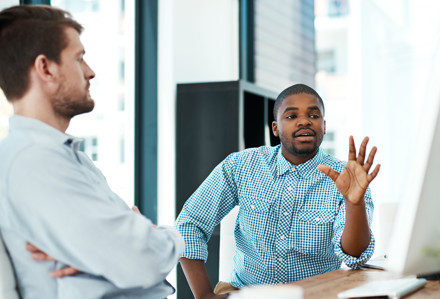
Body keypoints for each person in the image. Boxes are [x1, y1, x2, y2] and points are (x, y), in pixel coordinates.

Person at [0, 5, 184, 298]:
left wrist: (124, 247)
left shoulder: (69, 157)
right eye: (79, 58)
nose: (90, 72)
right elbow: (142, 260)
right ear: (45, 68)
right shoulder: (35, 161)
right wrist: (160, 236)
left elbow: (133, 252)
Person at [175, 83, 381, 298]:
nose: (304, 121)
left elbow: (355, 256)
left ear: (324, 126)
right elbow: (189, 224)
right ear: (275, 128)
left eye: (314, 115)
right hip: (245, 293)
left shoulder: (348, 177)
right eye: (291, 116)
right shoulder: (241, 165)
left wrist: (353, 202)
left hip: (318, 294)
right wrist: (204, 295)